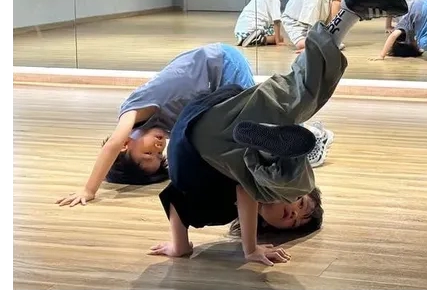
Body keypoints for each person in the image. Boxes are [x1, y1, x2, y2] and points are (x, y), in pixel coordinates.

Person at [149, 0, 409, 264]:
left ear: (270, 228)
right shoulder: (235, 198)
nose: (293, 213)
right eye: (300, 208)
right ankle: (347, 14)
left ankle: (273, 152)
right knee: (294, 97)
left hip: (196, 141)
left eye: (293, 220)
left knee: (291, 167)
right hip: (215, 119)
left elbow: (179, 199)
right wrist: (240, 249)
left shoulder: (222, 210)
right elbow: (240, 192)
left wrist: (184, 247)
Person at [54, 44, 333, 208]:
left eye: (147, 152)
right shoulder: (164, 125)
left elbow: (112, 144)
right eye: (158, 156)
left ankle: (313, 135)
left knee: (259, 117)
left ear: (126, 144)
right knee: (242, 132)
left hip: (220, 64)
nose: (158, 148)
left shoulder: (132, 110)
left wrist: (89, 190)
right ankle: (298, 139)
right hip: (214, 79)